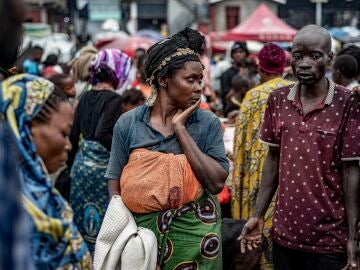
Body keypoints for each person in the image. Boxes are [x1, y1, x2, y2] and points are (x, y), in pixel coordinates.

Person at [106, 27, 229, 269]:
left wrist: (180, 128)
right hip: (143, 242)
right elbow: (114, 184)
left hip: (196, 240)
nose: (199, 88)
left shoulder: (208, 123)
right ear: (164, 80)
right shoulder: (129, 123)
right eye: (190, 80)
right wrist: (126, 231)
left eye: (200, 80)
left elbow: (216, 183)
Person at [239, 25, 360, 270]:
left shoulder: (347, 103)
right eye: (298, 55)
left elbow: (351, 173)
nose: (304, 63)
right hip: (285, 234)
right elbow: (272, 160)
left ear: (329, 59)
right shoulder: (278, 99)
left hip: (330, 240)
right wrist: (258, 214)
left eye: (314, 56)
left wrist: (353, 237)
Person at [0, 74, 92, 269]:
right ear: (26, 127)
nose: (68, 145)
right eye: (64, 134)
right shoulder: (11, 205)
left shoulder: (40, 191)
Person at [67, 48, 131, 253]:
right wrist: (125, 155)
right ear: (117, 71)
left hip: (81, 167)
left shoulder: (84, 97)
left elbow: (73, 134)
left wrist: (70, 168)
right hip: (101, 171)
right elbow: (103, 133)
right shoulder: (114, 99)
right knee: (104, 222)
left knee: (81, 219)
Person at [232, 43, 289, 269]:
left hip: (257, 178)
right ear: (284, 68)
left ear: (260, 69)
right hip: (285, 177)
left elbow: (239, 149)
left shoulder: (252, 97)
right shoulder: (295, 93)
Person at [220, 42, 249, 112]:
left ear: (246, 54)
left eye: (241, 52)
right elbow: (225, 98)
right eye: (235, 52)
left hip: (248, 109)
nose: (238, 54)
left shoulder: (252, 71)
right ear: (232, 55)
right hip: (231, 112)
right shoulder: (226, 74)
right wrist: (237, 82)